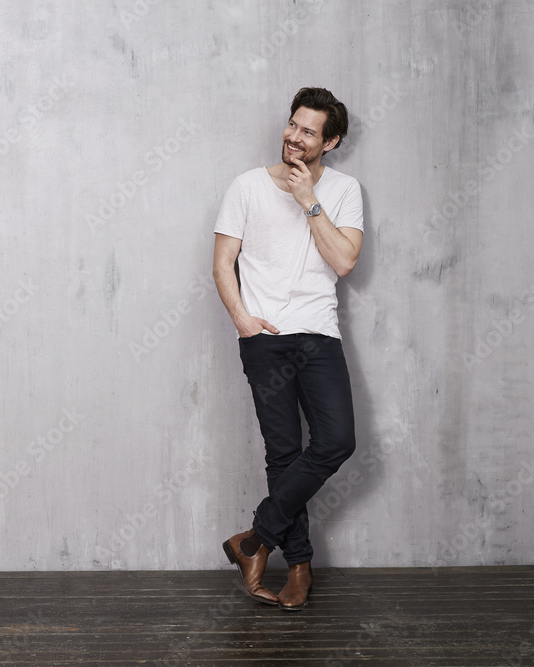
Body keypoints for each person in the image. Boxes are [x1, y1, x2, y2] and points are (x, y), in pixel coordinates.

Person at [212, 87, 364, 611]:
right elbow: (222, 262)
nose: (294, 137)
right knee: (283, 454)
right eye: (293, 125)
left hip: (318, 334)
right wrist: (243, 322)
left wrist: (307, 201)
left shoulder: (344, 190)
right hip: (265, 340)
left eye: (308, 131)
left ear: (331, 142)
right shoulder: (247, 186)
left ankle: (254, 540)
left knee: (336, 440)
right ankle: (298, 566)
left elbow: (344, 262)